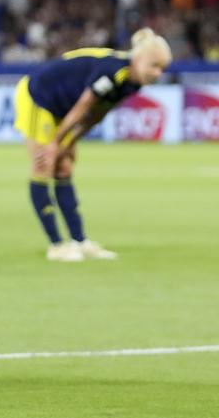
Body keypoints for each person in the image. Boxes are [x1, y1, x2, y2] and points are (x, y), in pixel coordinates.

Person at [13, 28, 172, 261]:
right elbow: (85, 105)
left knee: (65, 167)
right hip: (39, 97)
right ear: (137, 59)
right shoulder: (114, 72)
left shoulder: (133, 82)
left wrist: (69, 142)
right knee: (43, 165)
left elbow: (97, 114)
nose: (158, 73)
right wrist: (55, 143)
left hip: (63, 108)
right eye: (154, 66)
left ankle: (79, 241)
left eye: (162, 68)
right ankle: (56, 246)